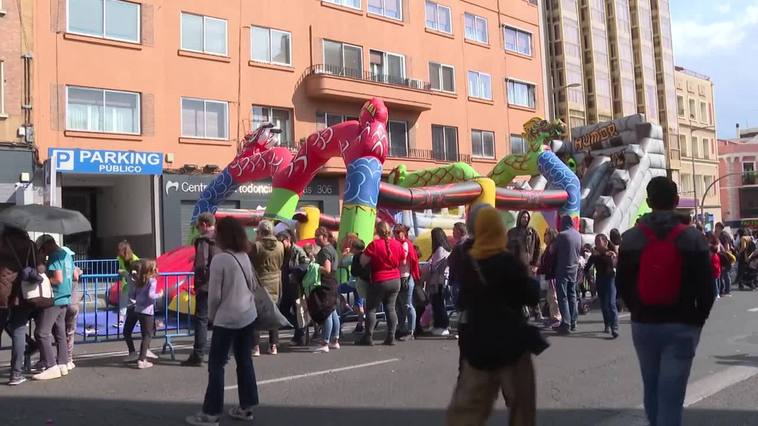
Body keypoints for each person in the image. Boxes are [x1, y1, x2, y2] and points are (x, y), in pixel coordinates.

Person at [617, 177, 714, 426]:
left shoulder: (630, 238)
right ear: (676, 201)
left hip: (644, 324)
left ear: (648, 202)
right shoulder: (693, 238)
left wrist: (637, 308)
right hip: (682, 324)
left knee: (651, 386)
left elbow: (622, 285)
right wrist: (697, 320)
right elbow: (707, 288)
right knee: (671, 395)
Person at [447, 205, 541, 426]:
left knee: (467, 410)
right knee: (521, 405)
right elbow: (531, 295)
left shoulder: (464, 256)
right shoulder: (507, 260)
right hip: (510, 343)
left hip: (476, 342)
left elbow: (462, 299)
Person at [186, 217, 259, 426]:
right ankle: (246, 407)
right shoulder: (244, 255)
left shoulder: (220, 260)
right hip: (248, 315)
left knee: (216, 365)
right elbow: (253, 284)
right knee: (244, 361)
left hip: (226, 319)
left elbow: (214, 296)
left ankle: (211, 413)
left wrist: (211, 316)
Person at [32, 235, 74, 380]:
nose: (44, 252)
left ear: (48, 245)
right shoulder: (66, 255)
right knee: (60, 331)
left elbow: (57, 279)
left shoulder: (55, 257)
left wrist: (44, 279)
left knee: (41, 333)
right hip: (66, 296)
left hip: (54, 298)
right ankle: (63, 363)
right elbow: (73, 276)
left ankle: (51, 366)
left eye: (43, 249)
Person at [0, 226, 37, 385]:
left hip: (1, 290)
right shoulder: (29, 245)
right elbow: (36, 268)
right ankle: (16, 374)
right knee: (19, 330)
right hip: (22, 293)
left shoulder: (1, 243)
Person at [182, 212, 219, 367]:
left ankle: (198, 354)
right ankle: (219, 352)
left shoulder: (204, 240)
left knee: (201, 319)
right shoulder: (222, 239)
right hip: (221, 283)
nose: (197, 229)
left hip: (205, 285)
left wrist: (197, 282)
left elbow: (201, 264)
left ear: (204, 224)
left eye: (198, 226)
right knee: (220, 319)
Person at [358, 221, 403, 346]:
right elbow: (401, 260)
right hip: (395, 279)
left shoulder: (374, 245)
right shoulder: (397, 244)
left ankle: (368, 337)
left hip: (379, 279)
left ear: (377, 231)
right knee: (390, 308)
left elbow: (363, 261)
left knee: (371, 309)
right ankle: (391, 336)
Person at [249, 220, 284, 356]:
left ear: (261, 232)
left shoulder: (257, 246)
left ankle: (255, 347)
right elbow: (281, 262)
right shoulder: (280, 245)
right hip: (276, 282)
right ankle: (273, 345)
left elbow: (250, 263)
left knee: (256, 315)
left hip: (260, 283)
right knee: (273, 313)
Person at [123, 259, 163, 368]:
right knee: (147, 335)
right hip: (147, 311)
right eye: (155, 268)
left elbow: (134, 294)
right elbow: (151, 295)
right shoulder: (151, 281)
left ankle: (142, 355)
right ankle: (142, 359)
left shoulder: (139, 281)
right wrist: (159, 295)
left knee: (144, 334)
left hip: (139, 309)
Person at [507, 211, 542, 321]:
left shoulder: (532, 232)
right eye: (523, 217)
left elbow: (538, 249)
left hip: (528, 266)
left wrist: (535, 264)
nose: (525, 219)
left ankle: (537, 313)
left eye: (527, 217)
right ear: (519, 218)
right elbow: (506, 249)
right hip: (515, 266)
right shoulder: (512, 233)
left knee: (530, 290)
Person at [277, 229, 309, 346]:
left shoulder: (297, 250)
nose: (279, 244)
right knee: (283, 311)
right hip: (285, 286)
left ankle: (300, 335)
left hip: (296, 286)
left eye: (281, 241)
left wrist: (295, 273)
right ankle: (298, 328)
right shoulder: (282, 252)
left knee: (298, 311)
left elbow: (306, 264)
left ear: (287, 240)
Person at [584, 234, 618, 338]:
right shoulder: (595, 255)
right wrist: (590, 280)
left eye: (599, 241)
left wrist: (614, 258)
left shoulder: (611, 253)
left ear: (605, 242)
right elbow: (587, 268)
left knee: (611, 303)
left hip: (610, 280)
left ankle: (614, 328)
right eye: (596, 241)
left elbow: (617, 265)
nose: (597, 243)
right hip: (600, 281)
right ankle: (607, 324)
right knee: (603, 305)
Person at [313, 227, 341, 353]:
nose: (315, 239)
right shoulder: (333, 249)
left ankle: (325, 342)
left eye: (317, 236)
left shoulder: (324, 251)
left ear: (324, 237)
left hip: (326, 283)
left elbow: (327, 269)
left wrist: (315, 266)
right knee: (333, 311)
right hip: (333, 281)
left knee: (327, 312)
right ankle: (335, 340)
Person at [553, 216, 582, 335]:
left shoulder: (562, 235)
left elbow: (555, 251)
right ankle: (573, 321)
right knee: (572, 295)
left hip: (563, 269)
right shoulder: (578, 235)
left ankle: (566, 322)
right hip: (573, 269)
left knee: (563, 296)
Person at [394, 224, 420, 341]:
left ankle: (411, 331)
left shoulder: (406, 244)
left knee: (408, 305)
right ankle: (402, 328)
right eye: (395, 232)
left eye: (398, 232)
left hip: (406, 277)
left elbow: (403, 261)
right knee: (399, 305)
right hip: (398, 277)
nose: (395, 234)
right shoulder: (398, 244)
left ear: (403, 233)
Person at [424, 227, 452, 336]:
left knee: (438, 304)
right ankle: (440, 325)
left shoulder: (440, 250)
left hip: (438, 281)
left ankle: (442, 325)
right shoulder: (447, 249)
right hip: (442, 280)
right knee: (439, 303)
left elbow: (436, 267)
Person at [538, 228, 561, 328]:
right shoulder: (549, 247)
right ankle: (553, 317)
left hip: (552, 276)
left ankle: (556, 318)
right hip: (549, 276)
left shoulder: (553, 247)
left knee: (553, 297)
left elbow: (550, 263)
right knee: (550, 297)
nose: (545, 236)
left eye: (546, 234)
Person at [116, 241, 139, 328]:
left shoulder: (135, 259)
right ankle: (121, 320)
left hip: (134, 284)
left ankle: (139, 320)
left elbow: (136, 272)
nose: (118, 252)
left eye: (120, 250)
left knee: (135, 302)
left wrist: (126, 272)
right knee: (123, 302)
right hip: (125, 284)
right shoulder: (119, 258)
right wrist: (122, 272)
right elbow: (120, 269)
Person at [714, 222, 734, 296]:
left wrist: (725, 254)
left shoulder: (724, 235)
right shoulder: (720, 234)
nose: (715, 228)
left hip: (725, 256)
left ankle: (727, 290)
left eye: (716, 227)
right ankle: (723, 290)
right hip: (722, 255)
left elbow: (727, 246)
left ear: (719, 227)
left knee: (725, 273)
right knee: (722, 274)